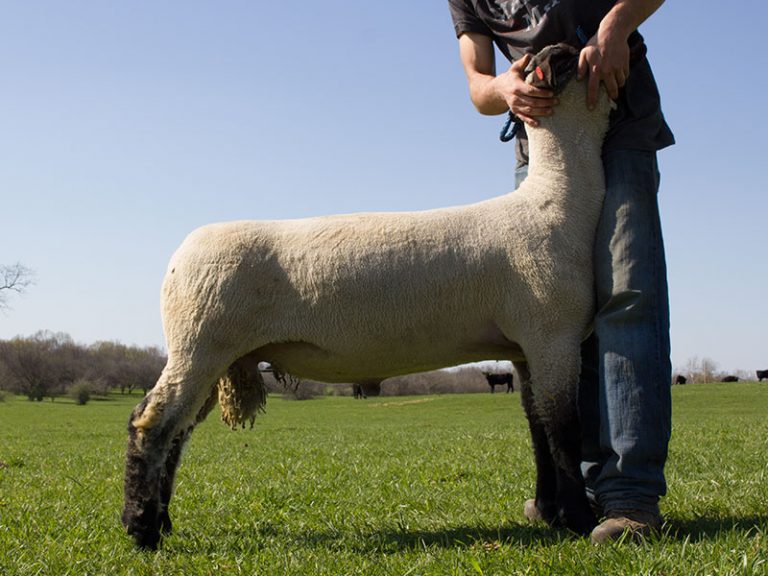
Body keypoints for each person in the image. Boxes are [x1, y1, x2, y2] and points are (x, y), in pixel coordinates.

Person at [447, 0, 674, 544]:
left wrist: (616, 27)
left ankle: (631, 496)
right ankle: (580, 488)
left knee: (626, 294)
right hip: (543, 149)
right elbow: (478, 87)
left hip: (618, 124)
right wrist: (503, 89)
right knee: (559, 322)